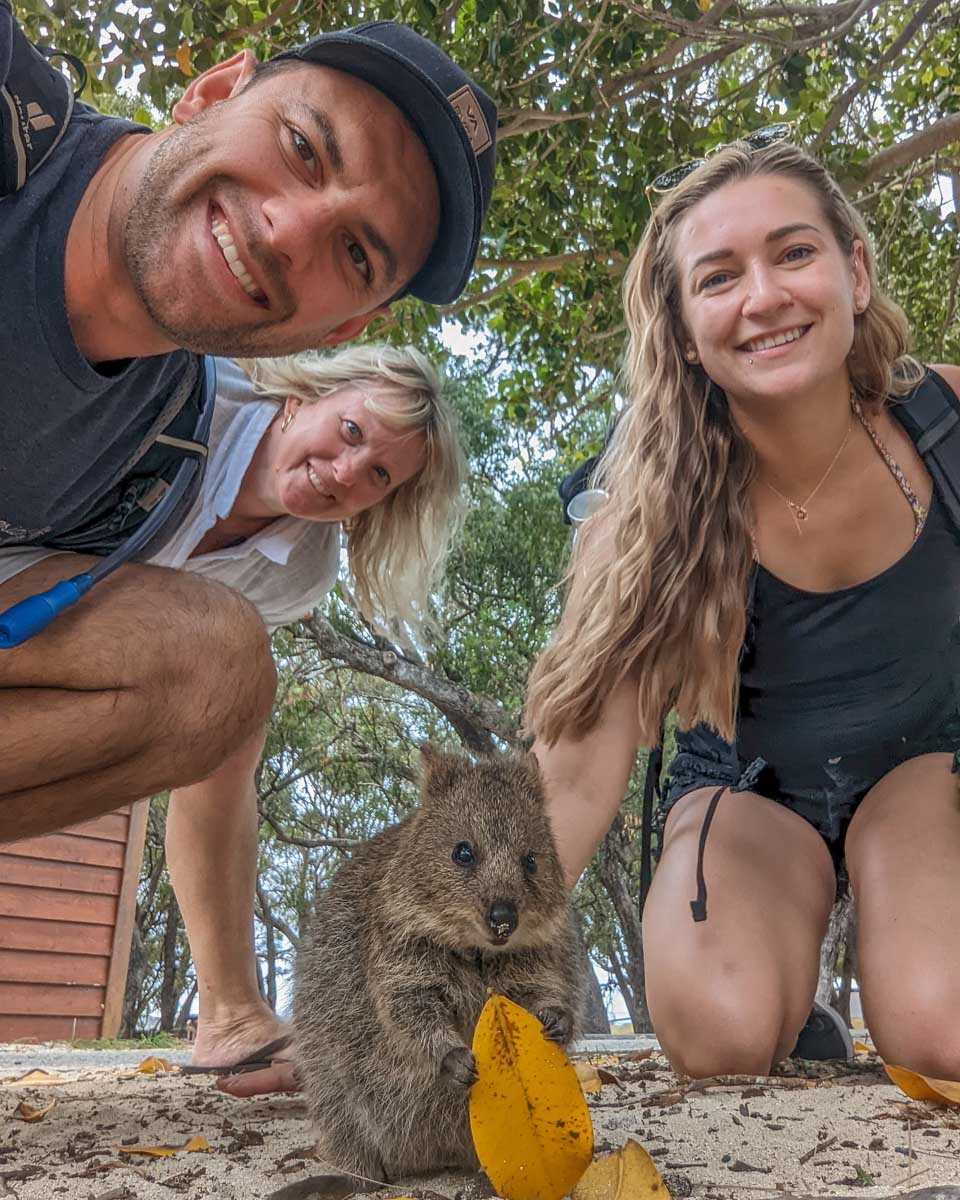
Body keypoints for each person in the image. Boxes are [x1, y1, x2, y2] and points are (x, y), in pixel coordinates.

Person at [0, 17, 494, 849]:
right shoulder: (20, 127)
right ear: (214, 90)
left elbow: (218, 760)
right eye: (304, 147)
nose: (288, 232)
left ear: (340, 329)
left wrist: (228, 982)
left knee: (221, 668)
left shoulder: (152, 454)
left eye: (356, 255)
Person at [526, 135, 960, 1082]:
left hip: (929, 768)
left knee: (947, 1035)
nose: (763, 297)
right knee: (721, 1036)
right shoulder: (643, 506)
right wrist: (445, 980)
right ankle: (789, 1000)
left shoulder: (947, 425)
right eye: (719, 277)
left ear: (854, 268)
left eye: (794, 253)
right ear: (684, 327)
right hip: (751, 785)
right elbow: (573, 779)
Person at [1, 343, 463, 1091]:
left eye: (378, 476)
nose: (347, 473)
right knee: (226, 658)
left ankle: (229, 1013)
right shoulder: (191, 384)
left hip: (46, 646)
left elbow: (193, 701)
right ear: (302, 398)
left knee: (237, 695)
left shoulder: (299, 572)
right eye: (351, 432)